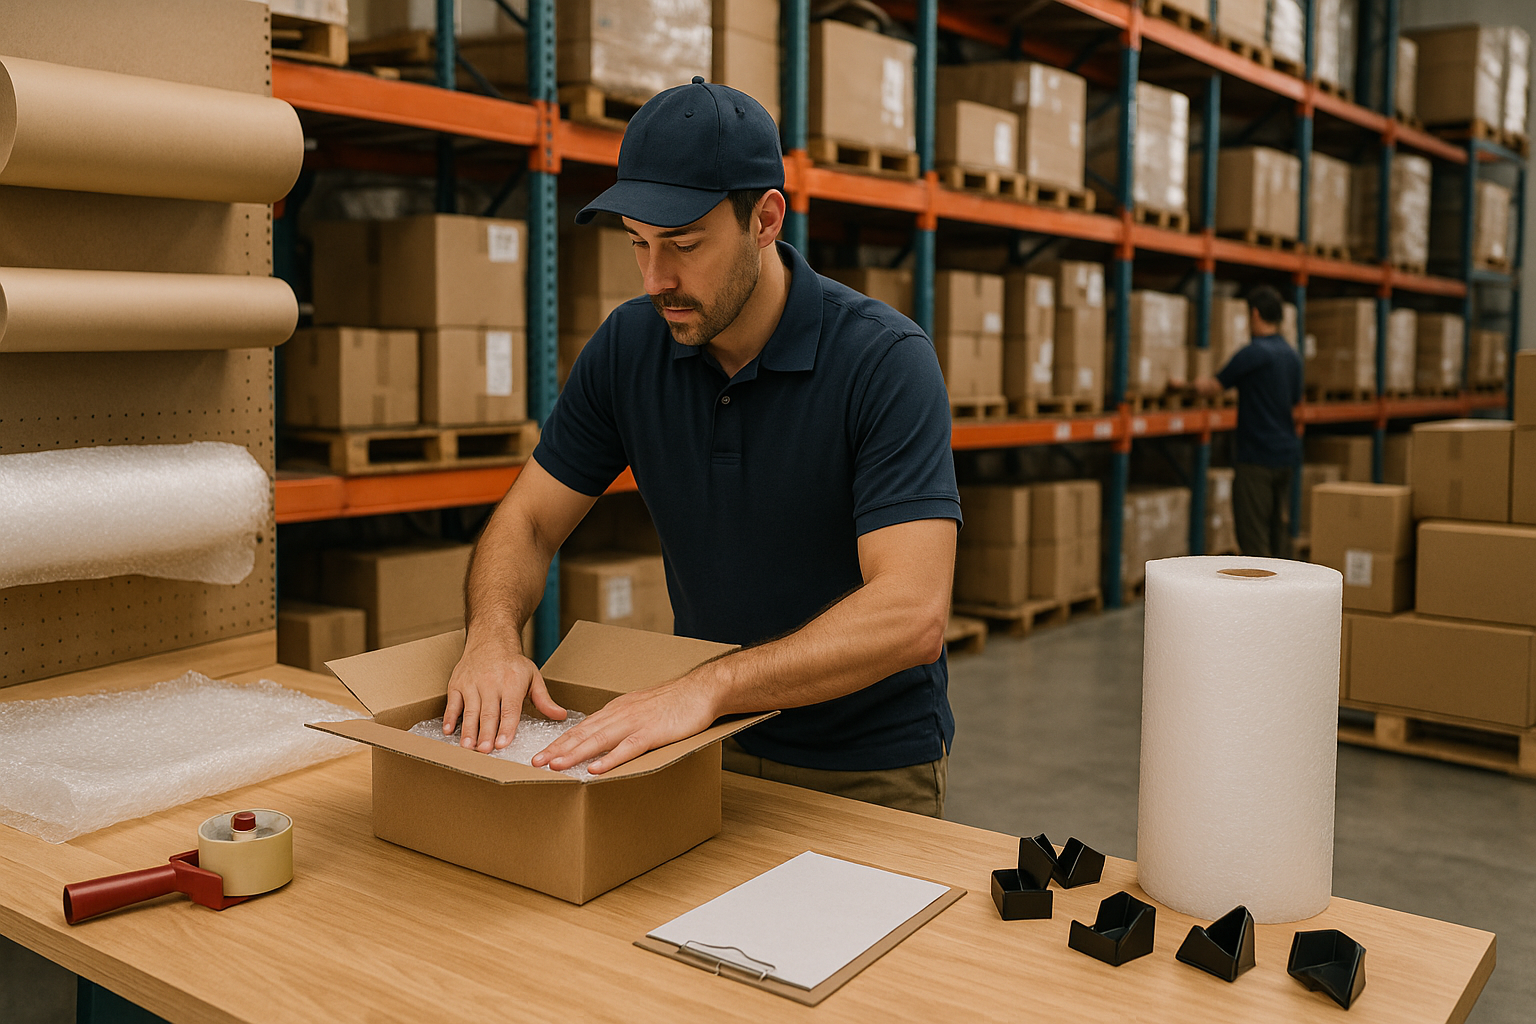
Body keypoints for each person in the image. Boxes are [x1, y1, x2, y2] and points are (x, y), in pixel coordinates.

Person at [440, 77, 961, 817]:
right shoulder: (629, 347)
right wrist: (493, 636)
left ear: (765, 219)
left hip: (865, 766)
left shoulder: (883, 361)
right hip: (706, 745)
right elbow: (527, 521)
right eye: (638, 245)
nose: (658, 280)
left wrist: (707, 685)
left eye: (684, 245)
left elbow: (911, 613)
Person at [1187, 284, 1303, 558]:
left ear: (1254, 314)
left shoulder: (1253, 353)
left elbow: (1213, 387)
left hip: (1257, 459)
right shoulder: (1292, 356)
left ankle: (1260, 598)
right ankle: (1284, 598)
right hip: (1287, 456)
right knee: (1279, 534)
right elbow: (1297, 406)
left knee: (1254, 538)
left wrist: (1182, 386)